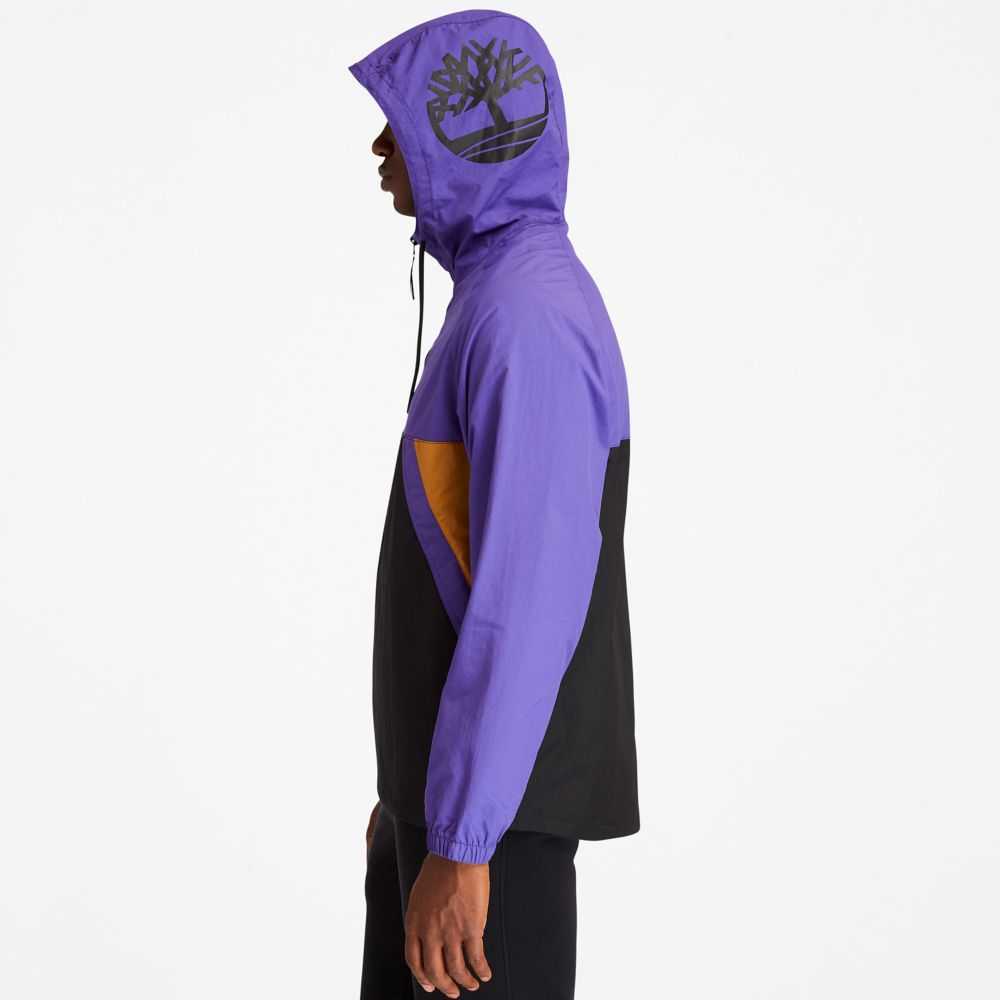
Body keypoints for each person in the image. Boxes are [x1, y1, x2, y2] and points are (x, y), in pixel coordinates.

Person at [349, 10, 639, 998]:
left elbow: (527, 599)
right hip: (456, 813)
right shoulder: (497, 301)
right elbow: (463, 562)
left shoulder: (526, 320)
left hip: (494, 832)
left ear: (465, 136)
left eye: (399, 123)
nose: (379, 146)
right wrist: (411, 798)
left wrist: (464, 839)